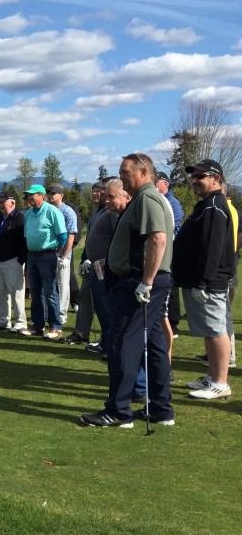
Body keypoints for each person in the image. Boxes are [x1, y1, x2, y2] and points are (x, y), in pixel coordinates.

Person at [80, 153, 174, 428]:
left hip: (138, 282)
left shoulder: (146, 197)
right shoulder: (143, 198)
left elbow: (158, 238)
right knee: (154, 343)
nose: (121, 177)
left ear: (142, 172)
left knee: (121, 341)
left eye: (124, 173)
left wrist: (146, 280)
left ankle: (119, 411)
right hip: (141, 280)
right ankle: (160, 409)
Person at [175, 159, 235, 401]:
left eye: (201, 177)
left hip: (209, 282)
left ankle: (221, 382)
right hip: (198, 280)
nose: (195, 181)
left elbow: (212, 247)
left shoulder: (214, 206)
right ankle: (212, 376)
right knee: (208, 331)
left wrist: (203, 281)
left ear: (216, 179)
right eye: (194, 177)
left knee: (216, 330)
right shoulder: (206, 204)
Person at [65, 181, 119, 348]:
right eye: (94, 191)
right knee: (85, 297)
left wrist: (104, 259)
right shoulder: (97, 211)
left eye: (101, 191)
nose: (96, 194)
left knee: (105, 305)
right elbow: (91, 238)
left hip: (104, 267)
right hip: (92, 265)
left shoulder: (112, 212)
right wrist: (83, 259)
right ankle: (82, 333)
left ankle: (108, 340)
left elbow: (115, 239)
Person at [22, 184, 67, 339]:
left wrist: (57, 253)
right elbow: (27, 235)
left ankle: (56, 327)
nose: (29, 197)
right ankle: (38, 325)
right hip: (32, 256)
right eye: (28, 195)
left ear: (41, 195)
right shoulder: (28, 214)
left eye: (32, 194)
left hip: (48, 255)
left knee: (49, 292)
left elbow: (62, 236)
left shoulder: (52, 211)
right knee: (35, 292)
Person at [0, 191, 27, 332]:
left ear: (13, 203)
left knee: (16, 293)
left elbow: (23, 241)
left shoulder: (20, 218)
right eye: (0, 202)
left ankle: (20, 322)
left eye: (4, 202)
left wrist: (20, 260)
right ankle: (2, 320)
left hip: (13, 260)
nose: (1, 205)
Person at [155, 172, 184, 336]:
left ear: (165, 183)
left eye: (156, 181)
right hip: (165, 246)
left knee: (171, 286)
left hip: (172, 247)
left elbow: (173, 227)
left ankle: (173, 322)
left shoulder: (172, 202)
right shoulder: (160, 200)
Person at [47, 185, 78, 324]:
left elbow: (71, 235)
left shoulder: (68, 212)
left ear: (61, 195)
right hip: (49, 253)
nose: (51, 195)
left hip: (62, 255)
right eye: (49, 193)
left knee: (62, 285)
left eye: (54, 193)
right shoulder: (48, 210)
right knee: (50, 285)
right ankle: (51, 313)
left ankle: (62, 314)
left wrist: (64, 256)